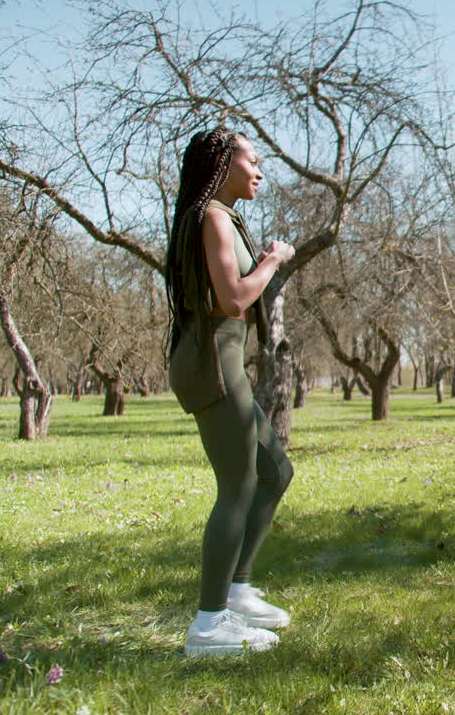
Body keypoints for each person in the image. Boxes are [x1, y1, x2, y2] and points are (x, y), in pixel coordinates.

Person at [165, 128, 297, 657]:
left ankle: (236, 592)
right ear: (223, 162)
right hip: (212, 368)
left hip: (226, 363)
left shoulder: (221, 215)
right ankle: (207, 626)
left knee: (275, 471)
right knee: (238, 485)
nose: (260, 171)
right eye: (252, 160)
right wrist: (273, 259)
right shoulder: (213, 218)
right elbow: (233, 300)